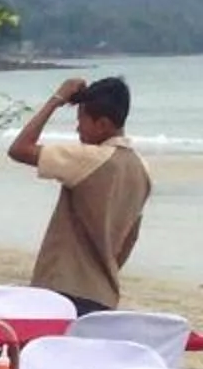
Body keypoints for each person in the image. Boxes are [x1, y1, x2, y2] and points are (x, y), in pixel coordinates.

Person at [9, 74, 149, 313]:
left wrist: (56, 100)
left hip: (63, 288)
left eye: (82, 121)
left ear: (102, 124)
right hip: (103, 296)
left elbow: (19, 149)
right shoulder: (142, 170)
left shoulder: (88, 158)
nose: (77, 129)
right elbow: (129, 239)